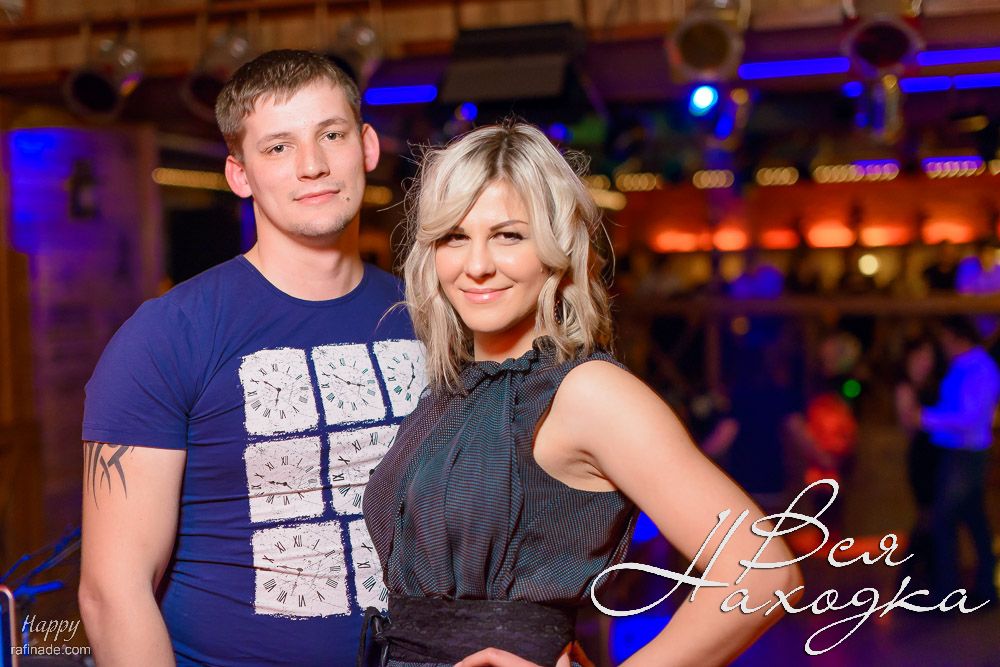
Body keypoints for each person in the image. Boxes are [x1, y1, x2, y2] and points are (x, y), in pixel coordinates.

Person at [362, 123, 802, 667]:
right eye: (455, 236)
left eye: (508, 236)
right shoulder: (452, 388)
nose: (476, 265)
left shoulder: (586, 391)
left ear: (557, 249)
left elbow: (763, 574)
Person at [79, 50, 426, 666]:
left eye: (331, 135)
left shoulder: (430, 319)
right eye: (278, 147)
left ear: (367, 146)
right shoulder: (169, 335)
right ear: (240, 175)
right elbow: (114, 591)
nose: (313, 165)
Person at [899, 315, 999, 603]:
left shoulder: (979, 368)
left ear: (957, 337)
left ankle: (948, 590)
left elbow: (969, 418)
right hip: (957, 453)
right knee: (973, 519)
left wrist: (925, 417)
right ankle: (978, 586)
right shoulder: (964, 365)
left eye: (945, 340)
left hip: (965, 454)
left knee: (945, 521)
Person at [894, 335, 943, 589]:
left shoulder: (931, 384)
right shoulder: (906, 387)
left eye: (929, 356)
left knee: (932, 516)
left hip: (936, 456)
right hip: (922, 458)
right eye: (921, 355)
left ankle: (920, 576)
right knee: (927, 516)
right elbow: (909, 423)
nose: (926, 361)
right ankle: (912, 576)